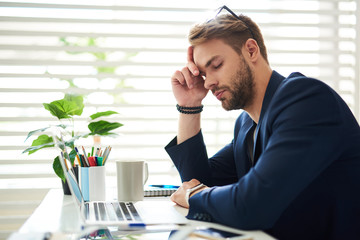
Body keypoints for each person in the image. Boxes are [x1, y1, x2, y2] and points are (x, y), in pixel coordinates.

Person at [165, 5, 360, 240]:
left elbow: (251, 206)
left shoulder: (306, 100)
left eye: (216, 65)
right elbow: (198, 184)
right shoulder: (246, 125)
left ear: (251, 50)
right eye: (204, 74)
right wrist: (189, 106)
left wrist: (195, 195)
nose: (208, 83)